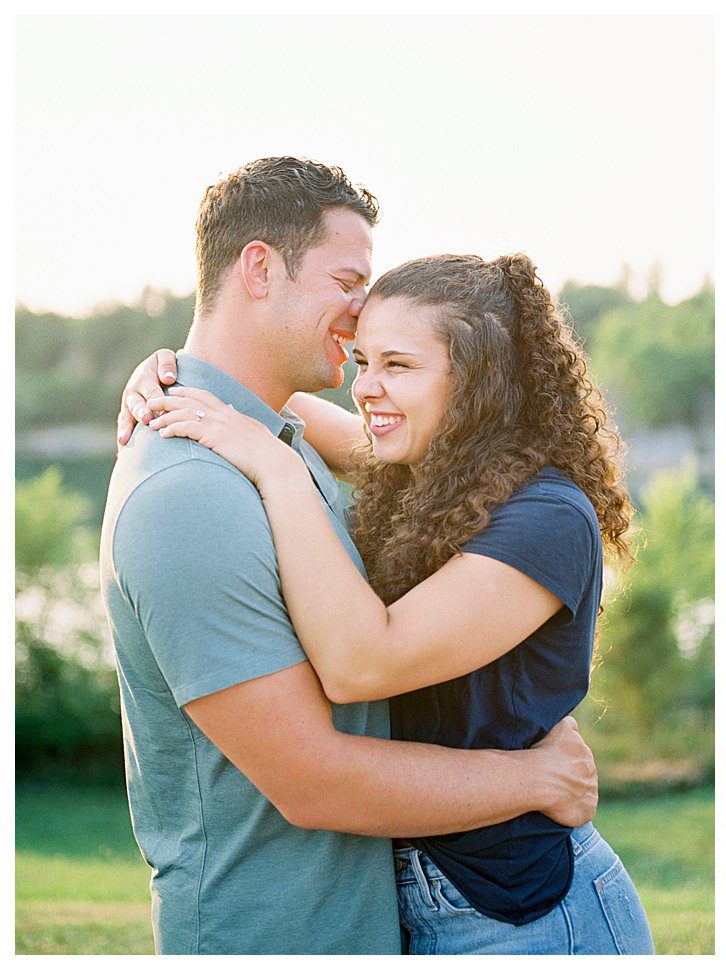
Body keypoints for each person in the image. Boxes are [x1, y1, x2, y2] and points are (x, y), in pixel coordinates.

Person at [101, 157, 598, 955]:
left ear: (478, 381)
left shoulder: (278, 441)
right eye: (347, 278)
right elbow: (313, 771)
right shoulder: (192, 491)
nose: (361, 310)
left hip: (429, 915)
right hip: (271, 933)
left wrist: (194, 385)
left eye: (398, 362)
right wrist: (535, 780)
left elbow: (318, 429)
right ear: (259, 268)